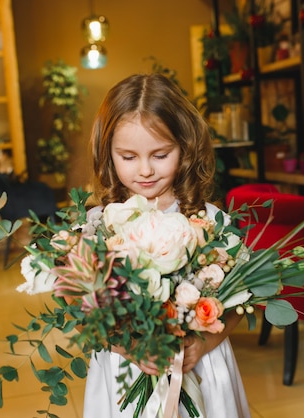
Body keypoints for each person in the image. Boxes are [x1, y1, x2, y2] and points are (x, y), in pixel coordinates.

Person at [84, 73, 251, 417]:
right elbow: (80, 307)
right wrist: (129, 347)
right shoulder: (97, 225)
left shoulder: (211, 222)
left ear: (185, 148)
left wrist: (204, 343)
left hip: (201, 367)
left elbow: (241, 302)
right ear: (108, 153)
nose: (145, 170)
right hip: (125, 372)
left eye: (161, 154)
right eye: (128, 157)